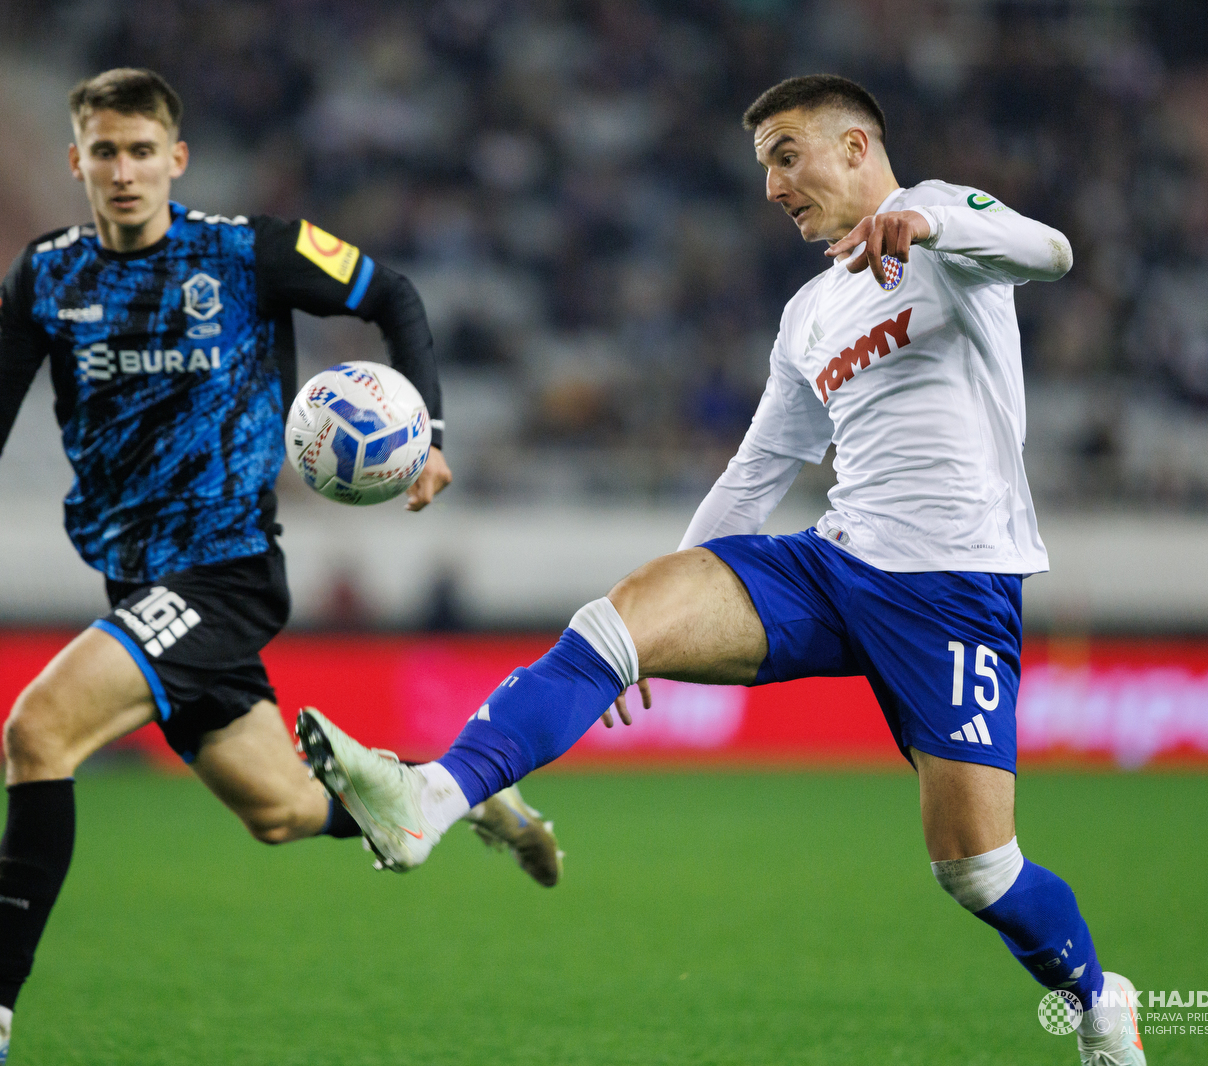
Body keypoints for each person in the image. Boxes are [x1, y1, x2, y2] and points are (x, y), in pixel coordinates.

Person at [296, 75, 1146, 1066]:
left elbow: (1052, 252)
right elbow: (757, 472)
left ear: (857, 148)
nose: (774, 187)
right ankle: (428, 802)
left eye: (788, 157)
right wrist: (658, 627)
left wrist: (924, 221)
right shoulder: (809, 314)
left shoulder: (946, 221)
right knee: (615, 622)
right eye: (764, 168)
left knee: (979, 872)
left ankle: (1097, 1000)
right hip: (833, 566)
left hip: (953, 590)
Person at [0, 68, 562, 1066]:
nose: (123, 171)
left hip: (223, 572)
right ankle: (456, 795)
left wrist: (432, 433)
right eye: (104, 152)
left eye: (141, 150)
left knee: (38, 730)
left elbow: (395, 296)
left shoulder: (250, 252)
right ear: (76, 160)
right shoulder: (43, 277)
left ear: (176, 159)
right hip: (133, 580)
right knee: (283, 811)